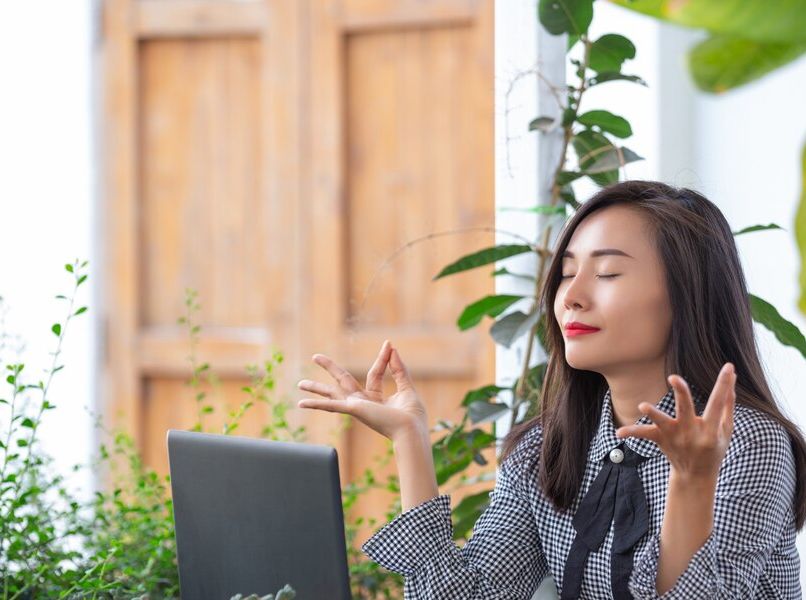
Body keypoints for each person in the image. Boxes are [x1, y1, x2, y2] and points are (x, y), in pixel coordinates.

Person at [296, 180, 806, 599]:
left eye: (607, 272)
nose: (573, 297)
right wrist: (409, 440)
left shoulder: (747, 444)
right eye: (566, 274)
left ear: (686, 295)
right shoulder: (549, 447)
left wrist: (692, 483)